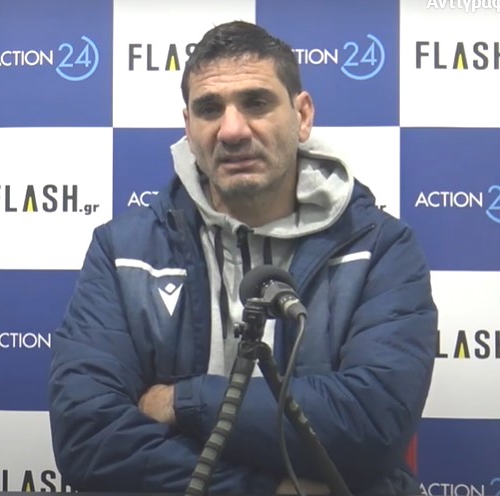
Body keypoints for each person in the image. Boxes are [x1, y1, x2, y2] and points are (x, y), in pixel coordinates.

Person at [48, 20, 436, 495]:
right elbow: (88, 439)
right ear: (189, 128)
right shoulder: (122, 251)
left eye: (256, 102)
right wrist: (269, 489)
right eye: (210, 109)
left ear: (302, 116)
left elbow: (371, 427)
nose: (231, 130)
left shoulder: (380, 249)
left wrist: (184, 402)